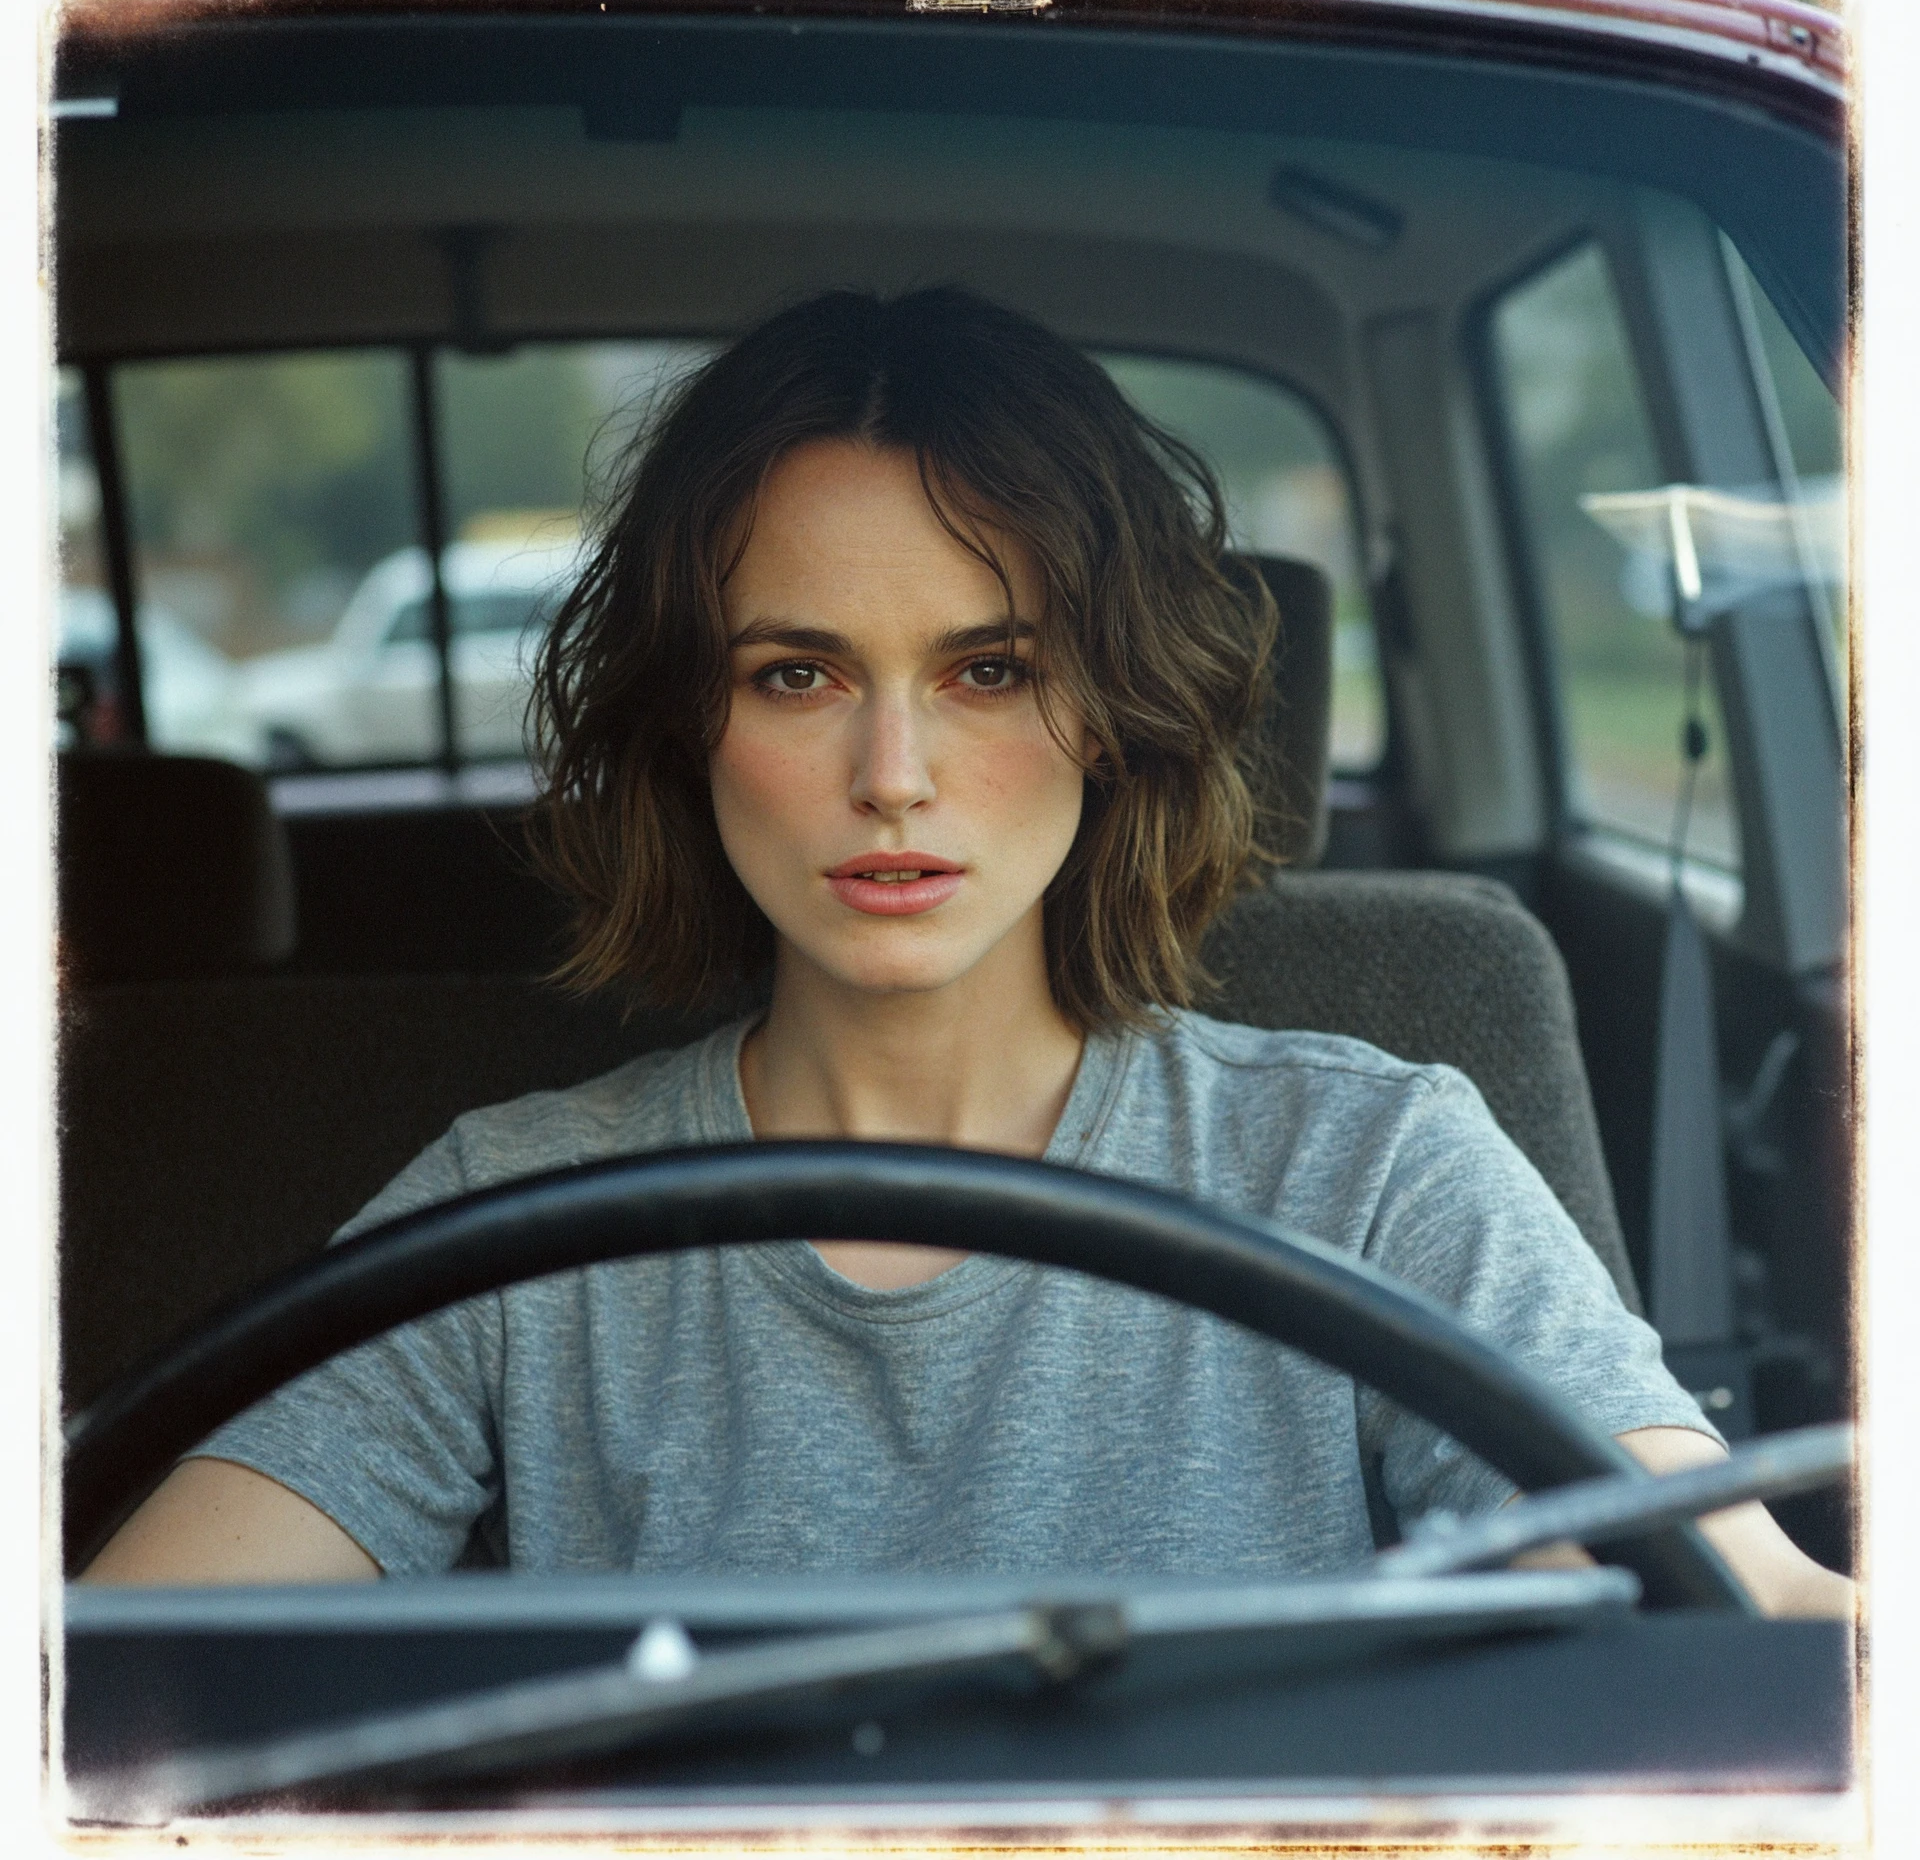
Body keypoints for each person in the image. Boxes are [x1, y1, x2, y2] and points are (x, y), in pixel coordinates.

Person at [85, 288, 1848, 1615]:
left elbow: (1752, 1613)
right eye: (799, 674)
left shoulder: (1376, 1171)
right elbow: (115, 1685)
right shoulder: (507, 1219)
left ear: (1114, 712)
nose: (894, 777)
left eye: (987, 670)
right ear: (691, 726)